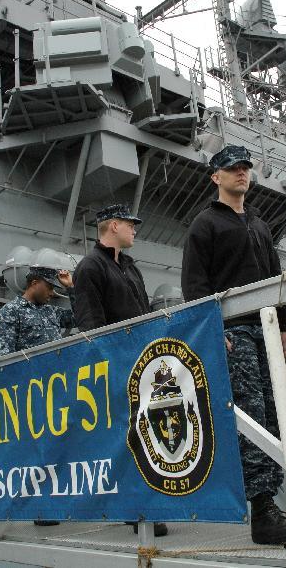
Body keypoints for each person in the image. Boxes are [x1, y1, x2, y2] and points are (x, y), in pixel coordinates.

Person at [181, 145, 286, 544]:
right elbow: (195, 286)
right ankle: (262, 508)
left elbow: (274, 276)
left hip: (267, 331)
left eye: (246, 168)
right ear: (216, 176)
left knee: (274, 413)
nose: (242, 174)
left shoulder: (259, 224)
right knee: (250, 417)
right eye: (233, 169)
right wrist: (213, 332)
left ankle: (275, 501)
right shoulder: (204, 224)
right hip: (235, 332)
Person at [72, 203, 166, 538]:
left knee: (147, 434)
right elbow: (90, 325)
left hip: (143, 364)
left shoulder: (130, 267)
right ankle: (135, 507)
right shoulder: (89, 267)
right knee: (126, 438)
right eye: (130, 224)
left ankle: (150, 502)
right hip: (117, 366)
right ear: (113, 225)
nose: (135, 230)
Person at [0, 267, 75, 354]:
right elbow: (4, 355)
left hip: (58, 366)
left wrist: (71, 287)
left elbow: (79, 318)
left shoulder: (52, 311)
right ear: (34, 283)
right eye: (49, 288)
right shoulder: (11, 311)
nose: (52, 293)